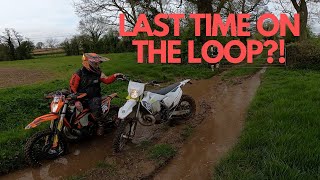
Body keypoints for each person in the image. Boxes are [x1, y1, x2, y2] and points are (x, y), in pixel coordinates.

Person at [69, 53, 122, 136]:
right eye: (95, 63)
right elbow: (72, 87)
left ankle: (101, 125)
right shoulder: (79, 73)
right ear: (87, 62)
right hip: (80, 97)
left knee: (95, 108)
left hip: (94, 97)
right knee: (68, 109)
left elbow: (106, 80)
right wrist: (76, 100)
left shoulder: (98, 72)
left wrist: (115, 76)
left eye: (98, 63)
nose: (97, 65)